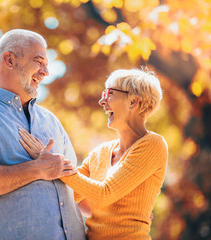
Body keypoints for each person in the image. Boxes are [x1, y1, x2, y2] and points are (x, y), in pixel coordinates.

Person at [0, 29, 85, 240]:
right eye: (38, 61)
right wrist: (37, 169)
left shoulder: (52, 122)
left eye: (46, 64)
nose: (45, 71)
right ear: (9, 60)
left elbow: (77, 191)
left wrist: (124, 214)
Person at [19, 68, 168, 240]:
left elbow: (105, 193)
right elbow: (71, 194)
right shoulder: (100, 152)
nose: (101, 101)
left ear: (133, 102)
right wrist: (38, 169)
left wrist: (56, 165)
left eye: (109, 93)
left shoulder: (153, 145)